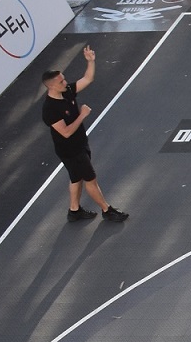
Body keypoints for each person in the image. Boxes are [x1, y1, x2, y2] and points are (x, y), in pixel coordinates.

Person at [40, 47, 128, 225]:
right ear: (51, 86)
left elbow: (88, 79)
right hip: (71, 150)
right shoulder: (50, 109)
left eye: (64, 79)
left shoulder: (67, 91)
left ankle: (74, 210)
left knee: (76, 177)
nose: (65, 83)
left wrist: (90, 61)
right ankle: (107, 210)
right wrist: (82, 115)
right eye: (61, 82)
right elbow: (65, 133)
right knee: (90, 179)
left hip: (80, 143)